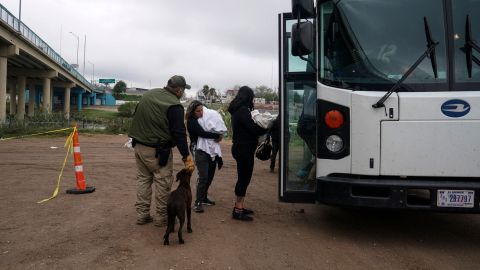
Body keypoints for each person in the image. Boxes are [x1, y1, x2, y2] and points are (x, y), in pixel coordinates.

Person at [128, 75, 195, 227]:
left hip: (138, 146)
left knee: (143, 180)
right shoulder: (174, 105)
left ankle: (142, 215)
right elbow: (179, 133)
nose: (183, 93)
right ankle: (161, 217)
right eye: (183, 90)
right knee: (162, 181)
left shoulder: (149, 94)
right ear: (178, 90)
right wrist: (186, 156)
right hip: (158, 151)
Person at [228, 86, 267, 221]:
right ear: (248, 97)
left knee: (243, 178)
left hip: (240, 148)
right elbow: (254, 129)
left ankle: (239, 206)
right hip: (244, 150)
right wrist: (268, 126)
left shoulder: (237, 110)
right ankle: (238, 210)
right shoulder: (243, 111)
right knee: (244, 179)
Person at [185, 100, 224, 213]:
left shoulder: (205, 119)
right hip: (199, 150)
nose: (201, 112)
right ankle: (198, 202)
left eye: (202, 110)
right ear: (192, 112)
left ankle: (204, 197)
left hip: (210, 150)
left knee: (210, 175)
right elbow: (202, 133)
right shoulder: (192, 121)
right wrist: (217, 135)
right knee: (203, 176)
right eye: (198, 111)